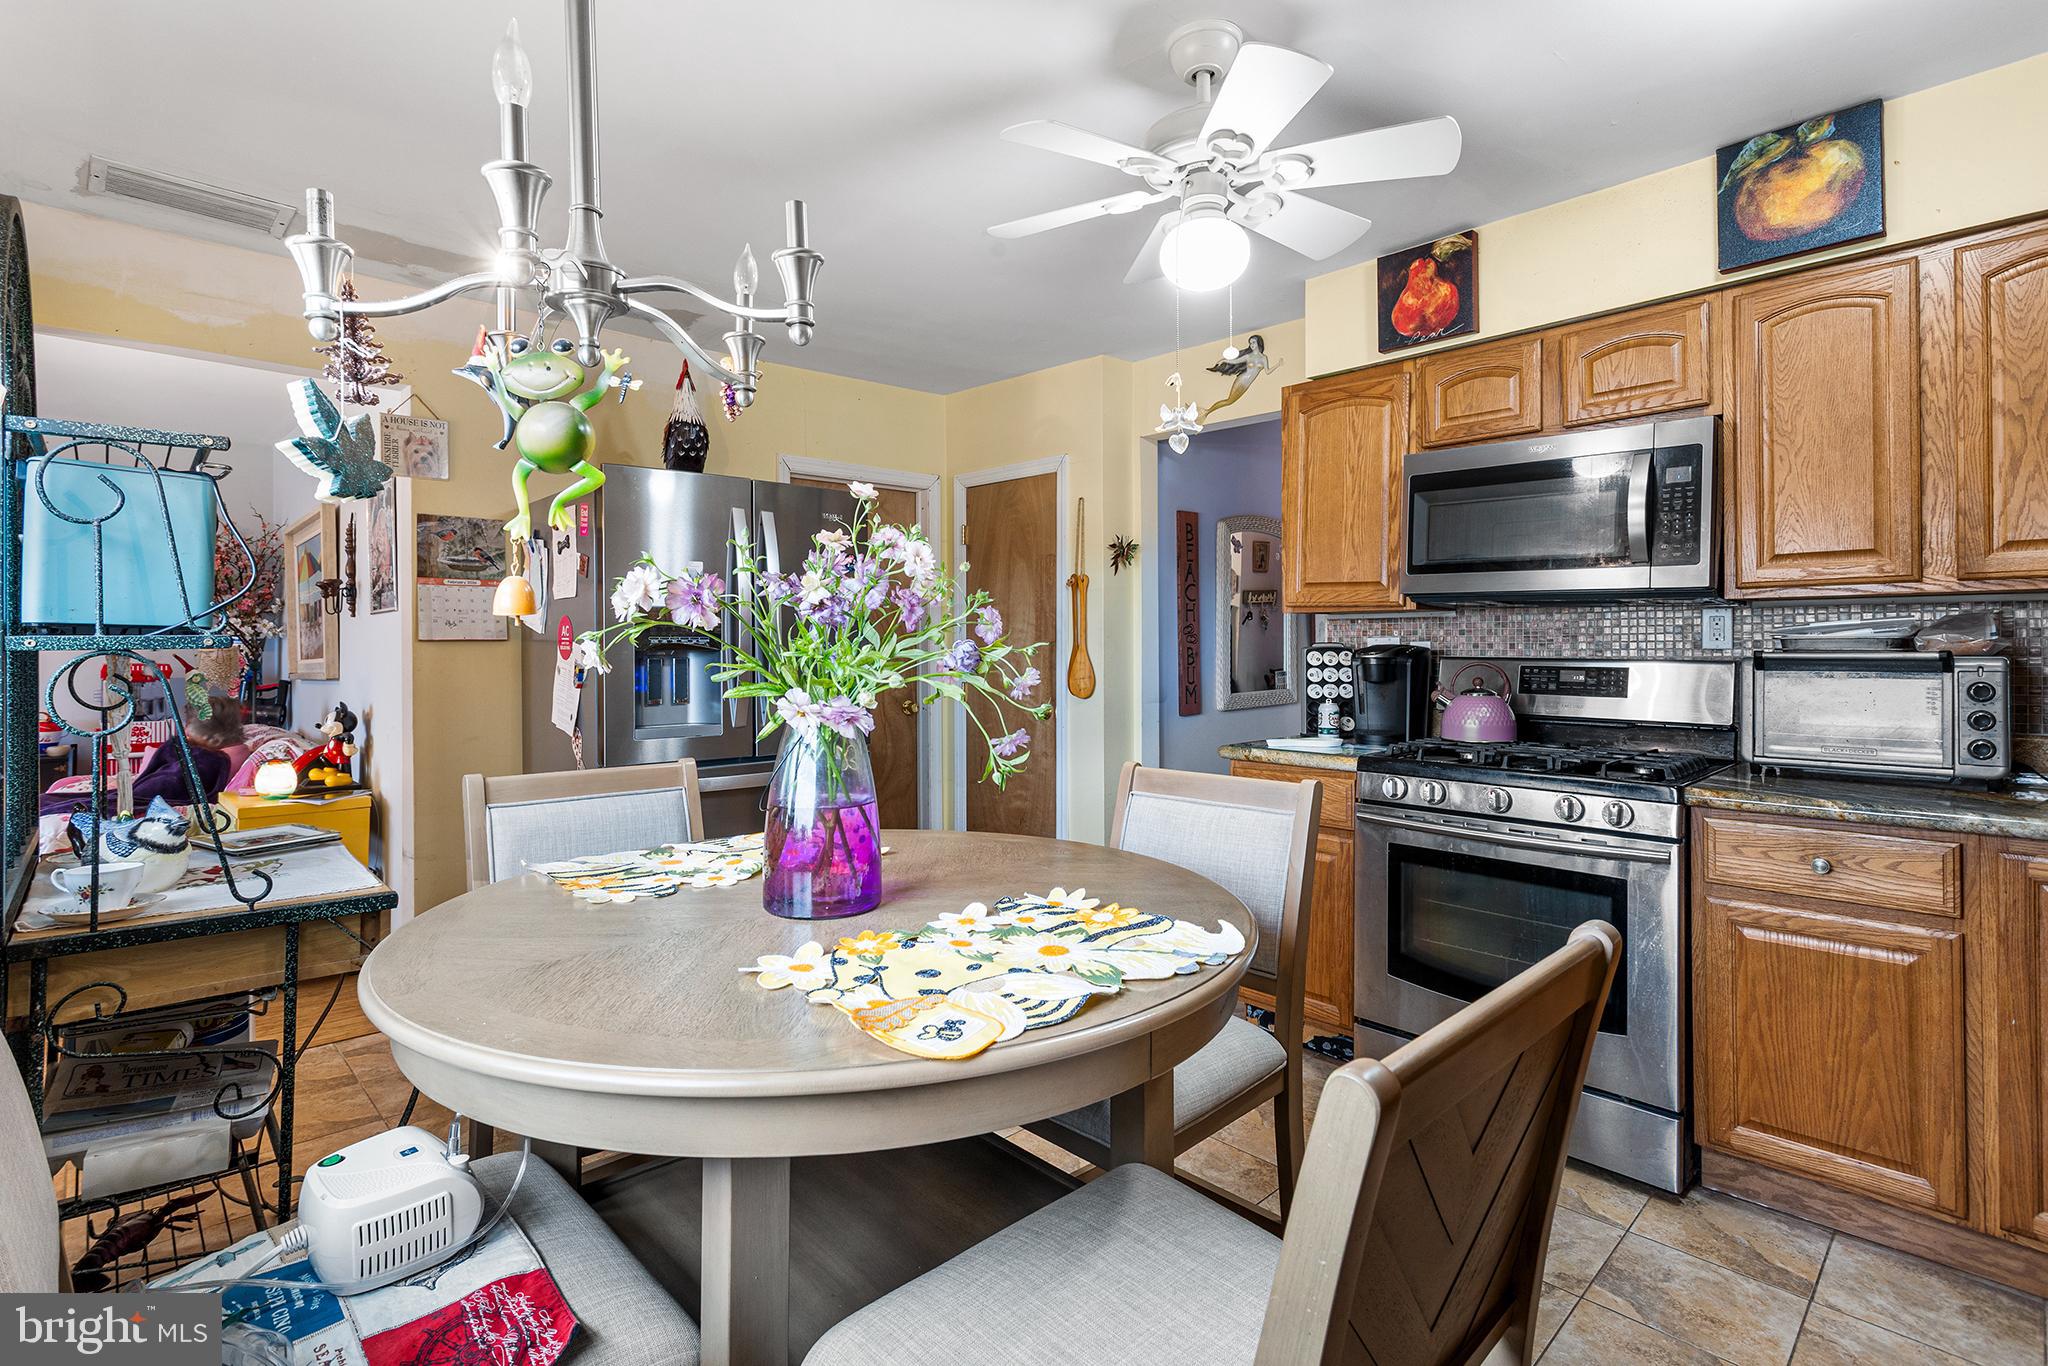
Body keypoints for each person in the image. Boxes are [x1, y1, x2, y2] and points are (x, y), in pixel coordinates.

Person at [41, 708, 246, 816]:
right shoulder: (210, 750)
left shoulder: (212, 759)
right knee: (56, 796)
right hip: (145, 786)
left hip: (154, 793)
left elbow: (172, 780)